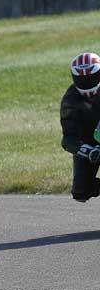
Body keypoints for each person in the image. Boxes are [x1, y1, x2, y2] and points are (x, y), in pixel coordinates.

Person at [60, 52, 100, 202]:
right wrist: (87, 151)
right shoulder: (70, 100)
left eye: (91, 77)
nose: (87, 82)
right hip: (89, 145)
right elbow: (68, 138)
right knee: (80, 192)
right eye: (82, 79)